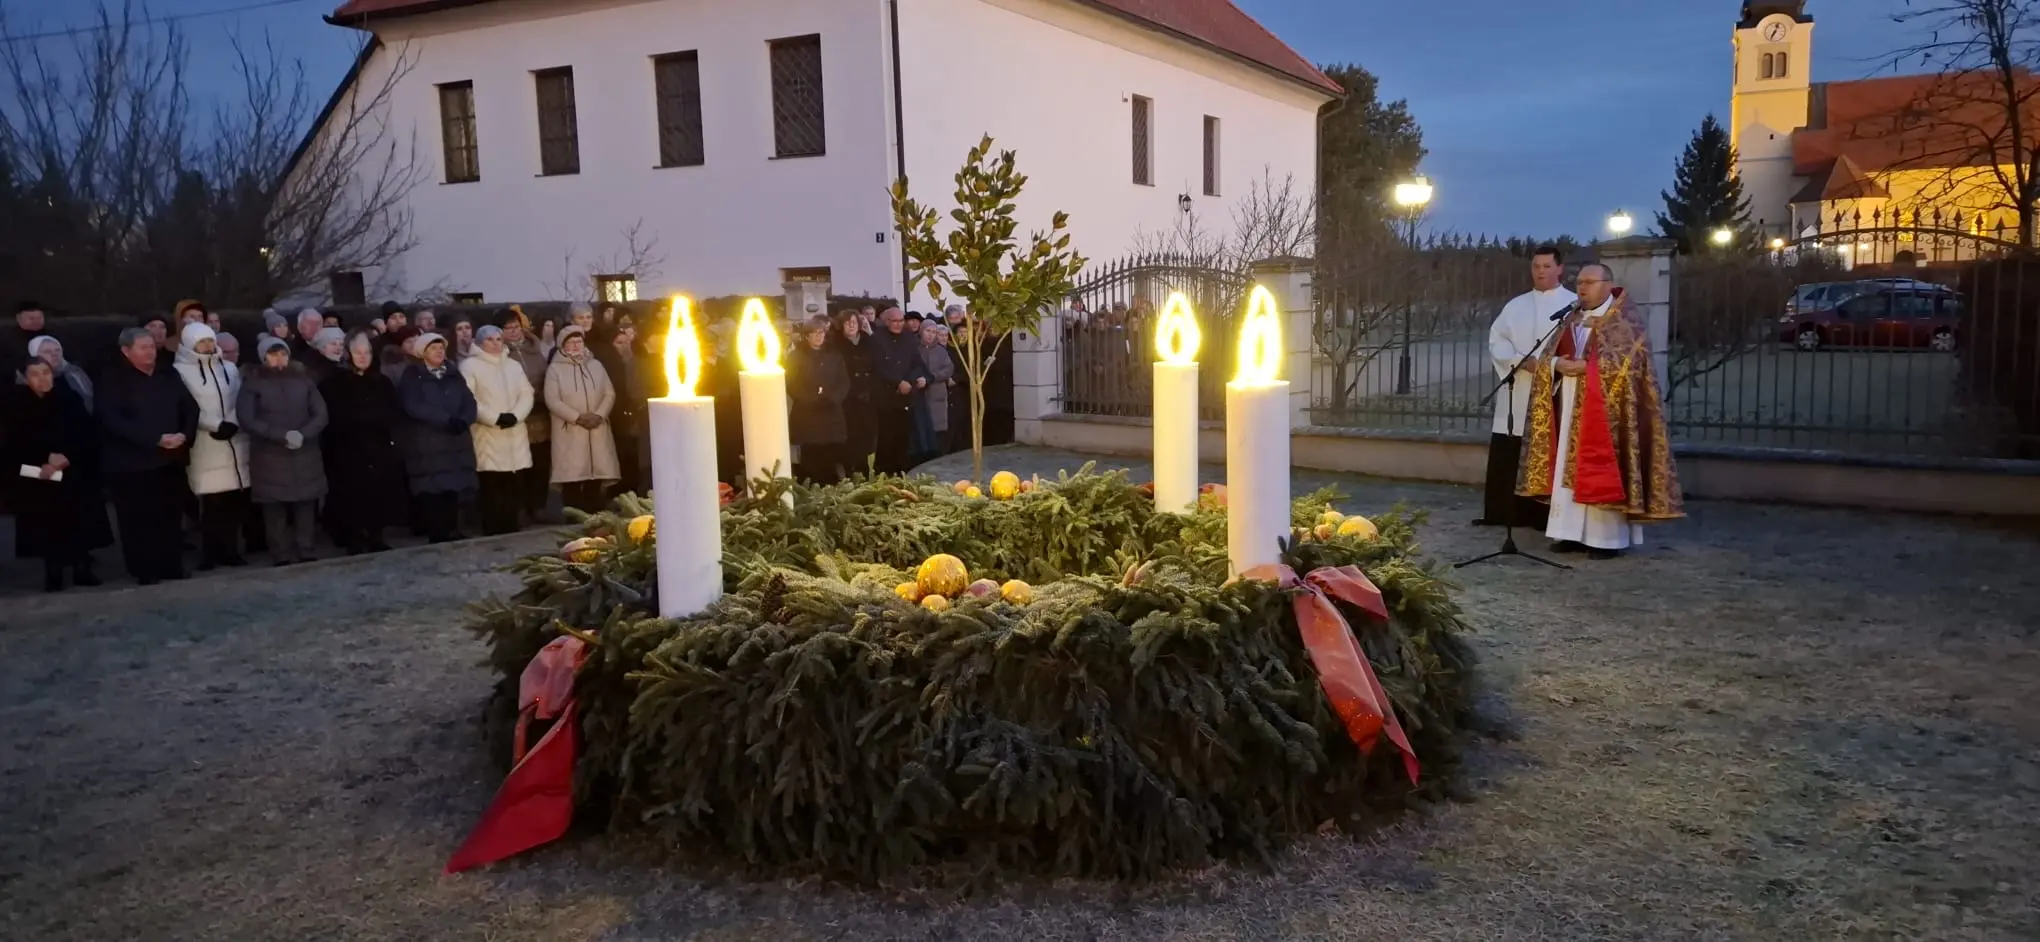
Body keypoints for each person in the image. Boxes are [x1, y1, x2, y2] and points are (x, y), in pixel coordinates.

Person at [1517, 263, 1684, 559]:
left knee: (1599, 467)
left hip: (1608, 413)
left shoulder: (1624, 320)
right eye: (1579, 282)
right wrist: (1557, 365)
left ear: (1608, 284)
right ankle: (1568, 532)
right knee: (1567, 465)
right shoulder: (1570, 317)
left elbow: (1631, 366)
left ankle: (1604, 539)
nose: (1582, 287)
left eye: (1590, 282)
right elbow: (1548, 355)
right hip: (1569, 403)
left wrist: (1588, 368)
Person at [1479, 245, 1575, 529]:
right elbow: (1497, 339)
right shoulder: (1516, 305)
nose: (1541, 272)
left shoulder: (1572, 306)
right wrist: (1521, 361)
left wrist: (1550, 364)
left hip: (1555, 390)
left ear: (1559, 269)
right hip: (1519, 386)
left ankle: (1543, 517)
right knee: (1511, 444)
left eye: (1547, 266)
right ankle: (1504, 512)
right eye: (1536, 266)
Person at [98, 327, 198, 585]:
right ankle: (144, 568)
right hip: (132, 464)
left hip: (170, 459)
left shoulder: (168, 373)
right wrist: (154, 439)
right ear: (126, 351)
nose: (150, 352)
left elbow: (189, 407)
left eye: (152, 346)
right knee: (138, 520)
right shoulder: (112, 379)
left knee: (170, 516)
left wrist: (184, 435)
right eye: (143, 348)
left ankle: (171, 565)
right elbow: (111, 420)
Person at [5, 359, 112, 591]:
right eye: (35, 374)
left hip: (73, 471)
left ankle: (82, 569)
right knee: (47, 526)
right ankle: (53, 572)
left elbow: (85, 432)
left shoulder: (69, 399)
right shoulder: (15, 405)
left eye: (46, 373)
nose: (42, 378)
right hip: (39, 476)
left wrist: (67, 457)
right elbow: (13, 441)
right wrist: (43, 459)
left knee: (80, 522)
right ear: (26, 378)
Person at [240, 336, 330, 564]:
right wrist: (280, 435)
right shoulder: (252, 383)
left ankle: (306, 548)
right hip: (270, 456)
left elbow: (320, 413)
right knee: (274, 507)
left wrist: (304, 434)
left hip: (304, 452)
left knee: (306, 504)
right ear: (263, 357)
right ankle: (280, 553)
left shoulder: (304, 380)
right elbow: (248, 418)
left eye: (283, 354)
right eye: (273, 354)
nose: (279, 359)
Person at [174, 323, 252, 569]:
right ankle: (210, 553)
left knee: (232, 502)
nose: (207, 346)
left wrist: (235, 421)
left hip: (234, 440)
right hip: (207, 444)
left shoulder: (229, 368)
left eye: (210, 340)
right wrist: (213, 424)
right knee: (211, 504)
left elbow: (241, 398)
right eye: (201, 341)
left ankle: (231, 550)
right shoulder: (181, 372)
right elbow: (186, 407)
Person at [320, 331, 401, 554]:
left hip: (378, 446)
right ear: (348, 354)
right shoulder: (333, 383)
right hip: (347, 449)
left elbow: (393, 411)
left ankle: (376, 535)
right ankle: (353, 537)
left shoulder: (382, 381)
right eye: (358, 352)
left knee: (378, 493)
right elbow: (332, 416)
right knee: (350, 495)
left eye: (367, 352)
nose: (363, 357)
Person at [397, 333, 478, 542]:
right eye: (433, 348)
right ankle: (437, 532)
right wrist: (446, 419)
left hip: (455, 439)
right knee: (433, 489)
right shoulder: (412, 375)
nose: (439, 351)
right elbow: (414, 405)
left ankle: (453, 528)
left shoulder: (453, 373)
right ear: (422, 352)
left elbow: (469, 400)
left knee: (454, 485)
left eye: (441, 348)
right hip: (428, 441)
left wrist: (464, 419)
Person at [461, 324, 534, 535]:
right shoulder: (470, 366)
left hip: (514, 433)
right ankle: (493, 527)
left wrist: (515, 416)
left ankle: (512, 524)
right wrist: (495, 418)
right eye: (489, 340)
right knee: (492, 485)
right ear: (479, 342)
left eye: (498, 339)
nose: (495, 344)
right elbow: (469, 399)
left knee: (513, 483)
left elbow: (526, 393)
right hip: (488, 434)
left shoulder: (513, 365)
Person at [543, 325, 619, 513]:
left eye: (579, 341)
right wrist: (577, 417)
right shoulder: (555, 369)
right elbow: (552, 400)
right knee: (573, 475)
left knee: (596, 473)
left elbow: (609, 393)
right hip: (570, 430)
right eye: (571, 342)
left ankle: (596, 513)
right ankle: (573, 514)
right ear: (563, 345)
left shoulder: (596, 365)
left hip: (597, 427)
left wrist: (599, 415)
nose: (576, 346)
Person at [499, 309, 553, 522]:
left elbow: (545, 375)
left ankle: (538, 506)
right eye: (508, 328)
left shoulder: (536, 349)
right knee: (519, 465)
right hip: (515, 416)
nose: (513, 332)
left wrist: (541, 394)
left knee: (540, 463)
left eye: (516, 327)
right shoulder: (500, 354)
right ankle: (520, 508)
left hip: (540, 414)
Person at [788, 315, 850, 484]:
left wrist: (833, 398)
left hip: (831, 413)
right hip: (808, 414)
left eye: (821, 333)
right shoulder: (796, 356)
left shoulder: (834, 355)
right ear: (806, 336)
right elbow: (792, 383)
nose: (819, 336)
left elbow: (843, 381)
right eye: (814, 333)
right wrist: (811, 398)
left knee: (830, 455)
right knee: (810, 456)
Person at [869, 307, 929, 474]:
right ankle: (884, 476)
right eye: (894, 321)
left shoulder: (908, 339)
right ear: (886, 321)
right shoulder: (877, 339)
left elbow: (916, 363)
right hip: (885, 399)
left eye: (901, 321)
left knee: (904, 441)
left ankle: (902, 475)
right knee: (886, 442)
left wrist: (913, 380)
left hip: (906, 399)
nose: (898, 324)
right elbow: (878, 366)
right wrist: (897, 382)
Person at [591, 323, 645, 495]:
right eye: (619, 343)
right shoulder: (603, 364)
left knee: (633, 458)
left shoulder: (637, 362)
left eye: (626, 342)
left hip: (634, 416)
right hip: (613, 416)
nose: (625, 346)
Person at [830, 311, 874, 475]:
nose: (851, 325)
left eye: (854, 321)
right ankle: (849, 470)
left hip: (867, 396)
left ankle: (865, 470)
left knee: (867, 438)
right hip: (847, 397)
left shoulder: (867, 341)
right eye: (848, 322)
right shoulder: (836, 344)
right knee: (849, 436)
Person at [917, 322, 956, 461]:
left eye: (934, 332)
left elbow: (948, 369)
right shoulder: (915, 348)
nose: (931, 334)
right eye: (928, 331)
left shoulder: (940, 350)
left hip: (937, 394)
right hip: (919, 393)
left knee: (938, 430)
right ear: (921, 331)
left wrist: (933, 377)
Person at [28, 336, 93, 412]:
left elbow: (87, 402)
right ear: (34, 354)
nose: (54, 354)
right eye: (47, 351)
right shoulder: (27, 379)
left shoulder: (73, 373)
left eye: (57, 350)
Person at [2, 301, 45, 380]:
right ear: (19, 319)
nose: (36, 321)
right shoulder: (6, 338)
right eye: (31, 318)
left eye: (39, 318)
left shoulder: (52, 334)